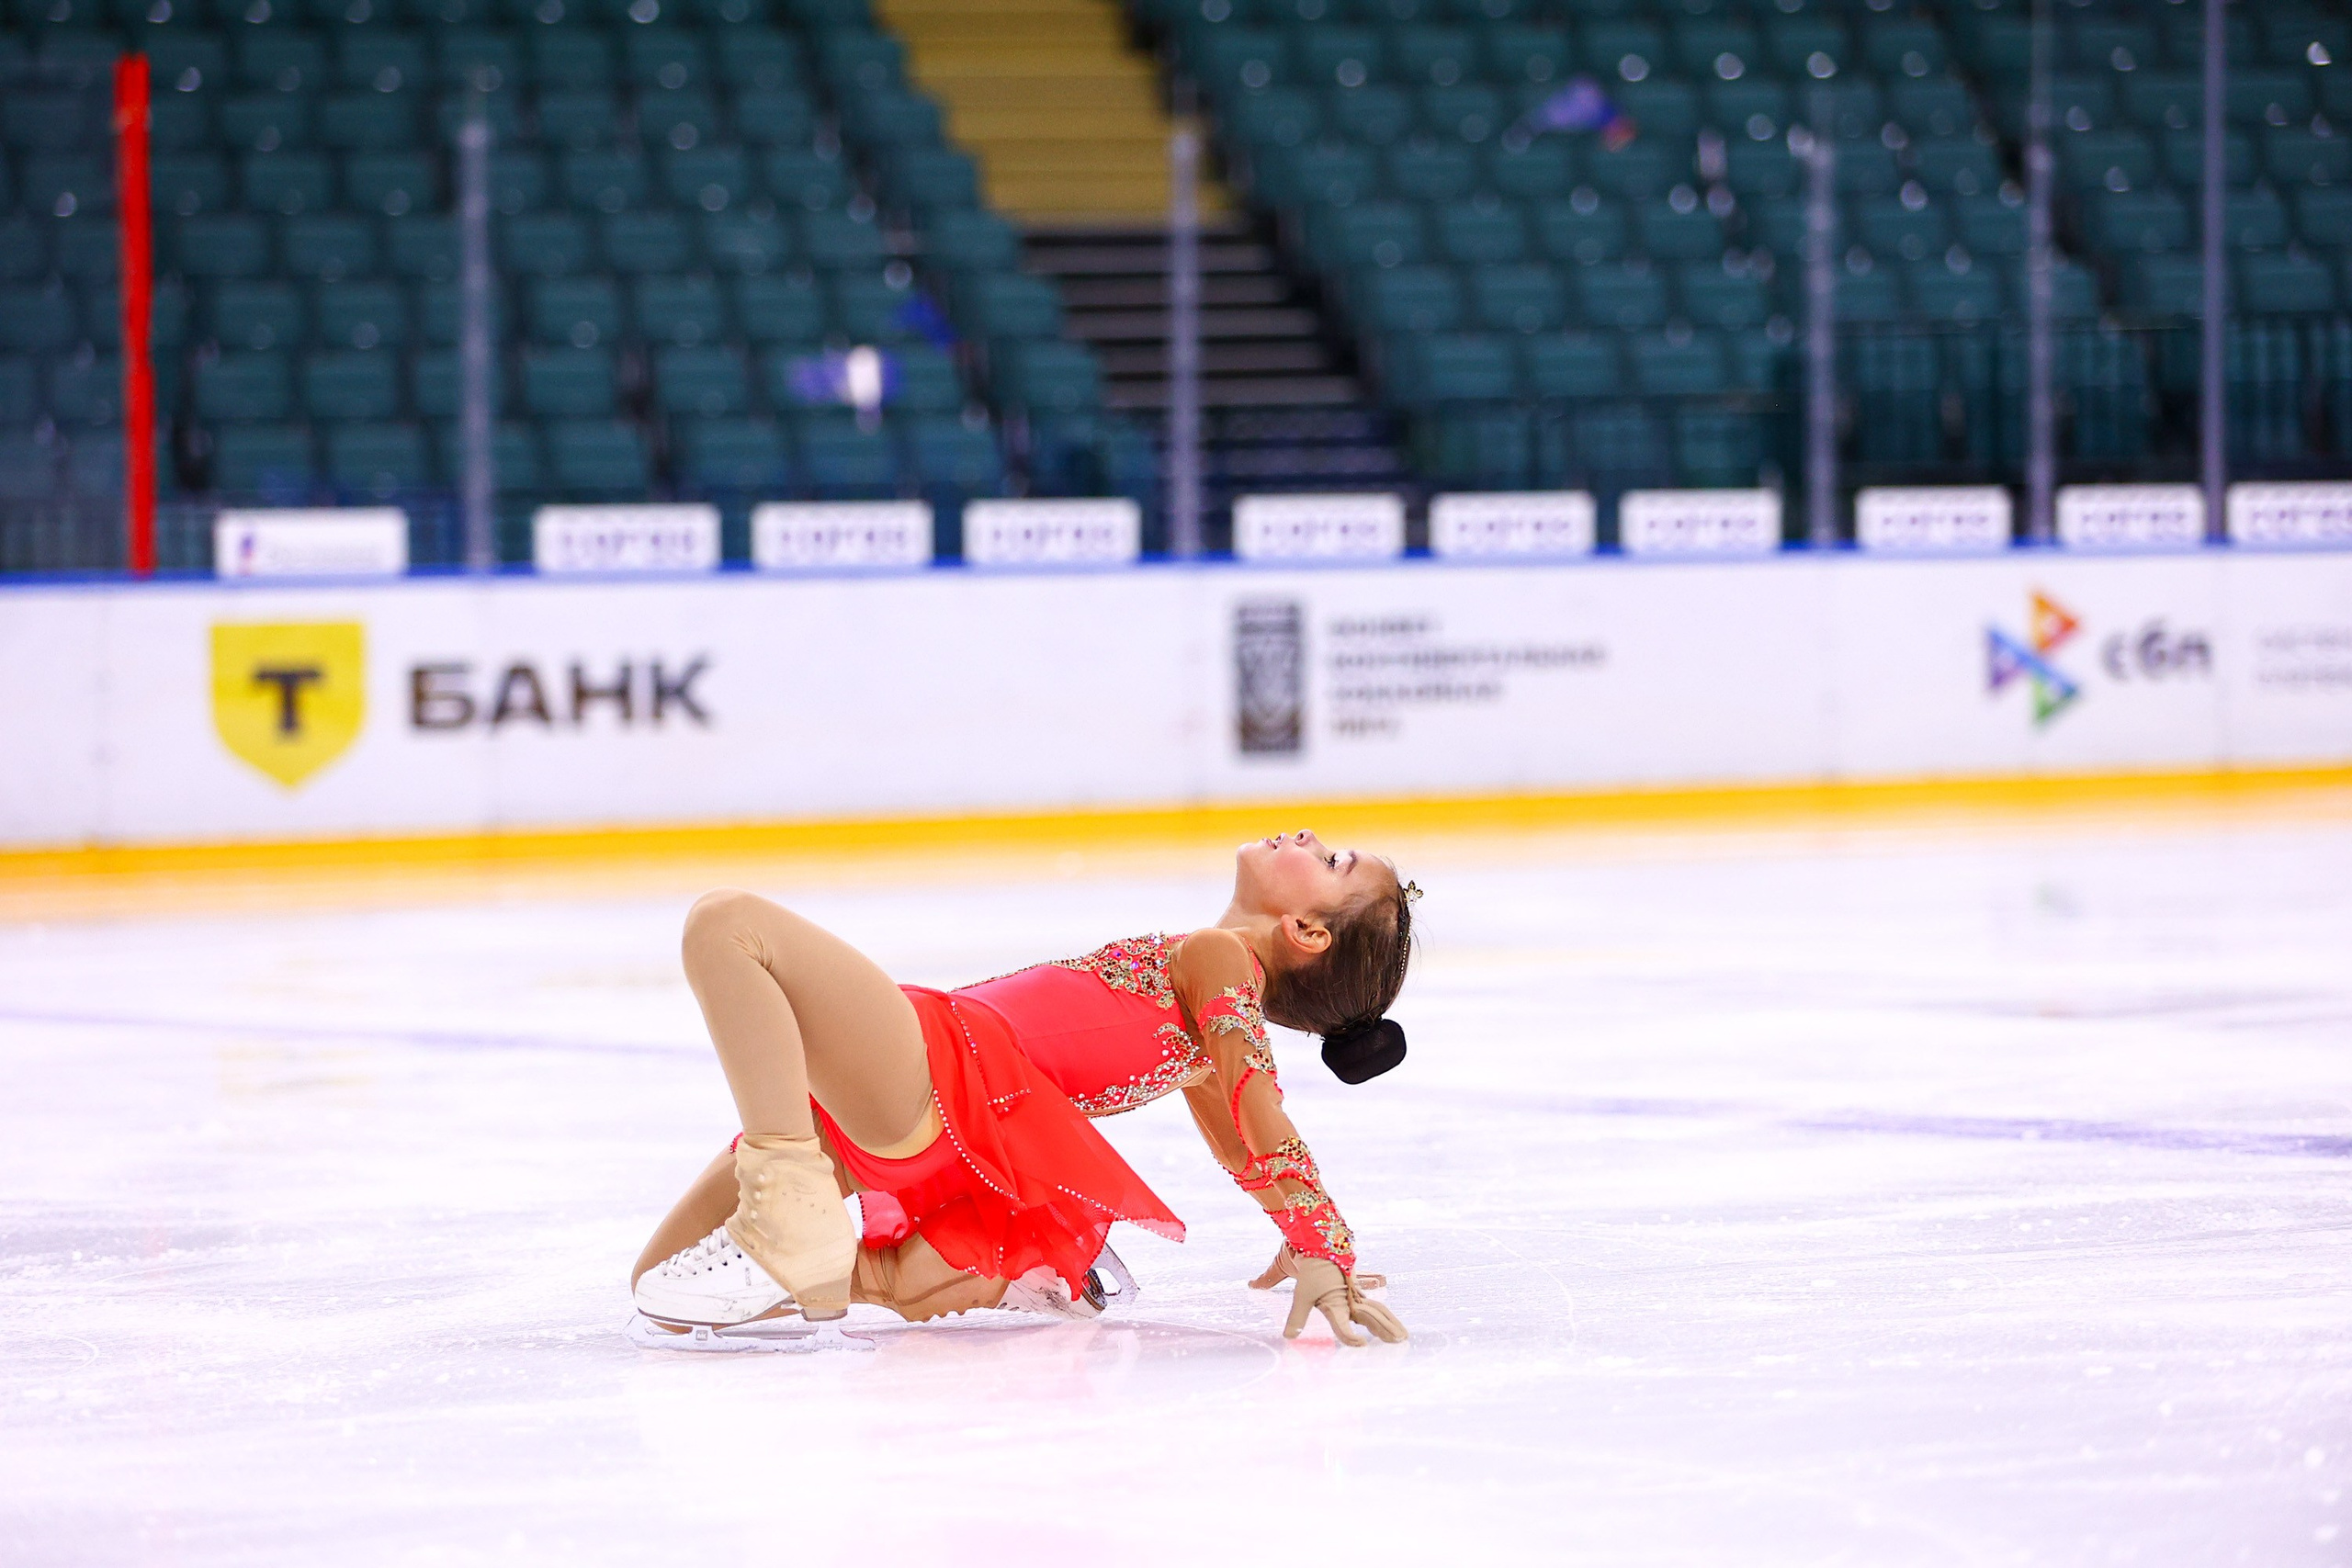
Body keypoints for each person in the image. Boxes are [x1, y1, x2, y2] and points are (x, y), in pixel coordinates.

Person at [629, 829, 1416, 1348]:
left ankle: (790, 1194)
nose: (1313, 838)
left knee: (726, 923)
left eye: (1335, 861)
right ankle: (880, 1267)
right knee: (664, 1291)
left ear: (1308, 932)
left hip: (937, 1071)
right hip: (879, 1118)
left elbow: (1258, 1104)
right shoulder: (1203, 1036)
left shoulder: (1218, 957)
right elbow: (1245, 1145)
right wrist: (1305, 1233)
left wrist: (1326, 1240)